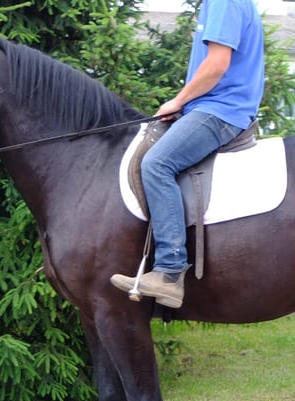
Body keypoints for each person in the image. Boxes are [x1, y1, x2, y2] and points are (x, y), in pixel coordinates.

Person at [111, 0, 265, 309]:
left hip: (221, 110)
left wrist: (178, 101)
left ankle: (169, 273)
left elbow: (217, 64)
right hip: (213, 107)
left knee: (156, 163)